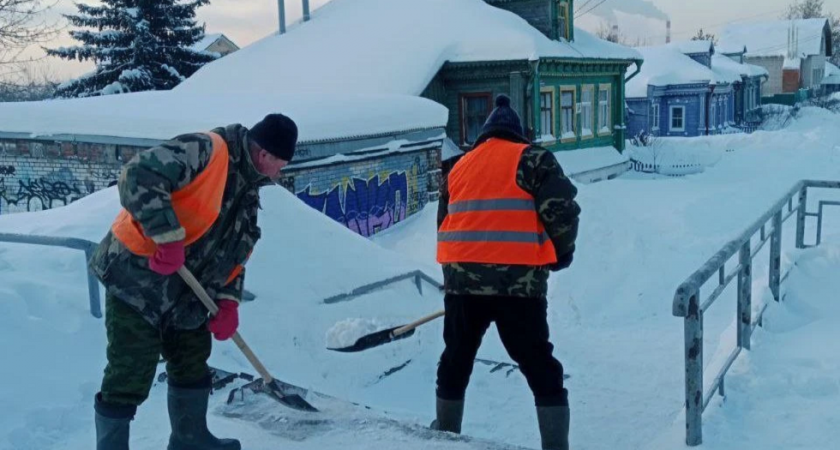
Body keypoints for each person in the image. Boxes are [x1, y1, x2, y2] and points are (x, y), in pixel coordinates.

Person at [88, 113, 298, 450]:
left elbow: (234, 252)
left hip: (186, 292)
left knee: (192, 360)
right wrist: (167, 236)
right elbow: (138, 174)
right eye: (281, 164)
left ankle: (190, 440)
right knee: (130, 370)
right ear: (265, 156)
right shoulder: (207, 151)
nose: (280, 172)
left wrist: (228, 301)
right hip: (137, 280)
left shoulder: (247, 189)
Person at [433, 94, 580, 450]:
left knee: (455, 361)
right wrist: (561, 254)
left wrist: (459, 272)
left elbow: (444, 223)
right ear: (518, 134)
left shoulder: (457, 166)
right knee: (539, 366)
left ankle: (444, 438)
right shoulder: (533, 159)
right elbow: (561, 210)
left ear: (485, 135)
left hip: (463, 284)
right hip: (519, 287)